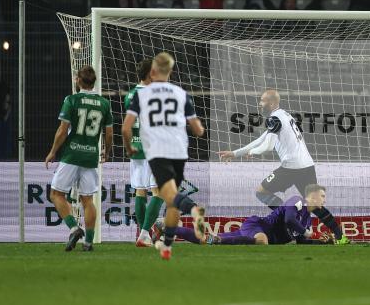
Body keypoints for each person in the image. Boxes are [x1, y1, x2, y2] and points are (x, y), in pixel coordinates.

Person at [216, 89, 344, 241]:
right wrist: (235, 153)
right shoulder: (284, 115)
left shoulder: (274, 118)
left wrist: (254, 152)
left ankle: (289, 216)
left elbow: (267, 146)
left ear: (270, 103)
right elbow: (262, 139)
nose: (260, 104)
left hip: (291, 167)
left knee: (261, 192)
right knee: (315, 204)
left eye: (262, 101)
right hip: (307, 165)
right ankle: (341, 237)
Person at [122, 52, 207, 260]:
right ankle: (164, 241)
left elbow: (126, 128)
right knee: (166, 195)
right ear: (170, 71)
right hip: (176, 149)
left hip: (147, 148)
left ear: (153, 71)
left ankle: (144, 234)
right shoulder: (180, 93)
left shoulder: (136, 95)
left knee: (143, 192)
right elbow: (198, 130)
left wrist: (129, 146)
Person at [44, 66, 113, 252]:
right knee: (87, 200)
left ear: (78, 81)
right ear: (94, 82)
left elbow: (62, 130)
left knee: (56, 194)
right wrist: (106, 152)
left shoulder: (71, 100)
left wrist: (52, 151)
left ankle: (74, 228)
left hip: (72, 155)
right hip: (90, 156)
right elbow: (108, 132)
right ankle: (88, 242)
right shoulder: (104, 103)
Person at [169, 184, 346, 245]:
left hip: (249, 235)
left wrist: (320, 242)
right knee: (262, 240)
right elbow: (289, 220)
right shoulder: (296, 201)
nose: (324, 200)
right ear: (311, 196)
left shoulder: (308, 220)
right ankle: (218, 241)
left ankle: (168, 228)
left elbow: (301, 241)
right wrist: (310, 233)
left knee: (203, 240)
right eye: (322, 196)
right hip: (257, 227)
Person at [126, 59, 163, 248]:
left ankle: (142, 234)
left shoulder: (130, 94)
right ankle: (144, 233)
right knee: (159, 191)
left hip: (136, 147)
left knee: (140, 191)